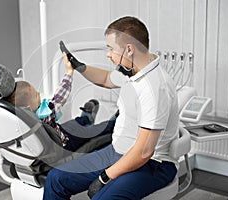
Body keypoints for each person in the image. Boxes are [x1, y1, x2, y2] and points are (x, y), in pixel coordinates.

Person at [43, 16, 179, 200]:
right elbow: (106, 79)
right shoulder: (133, 70)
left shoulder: (155, 87)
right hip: (118, 151)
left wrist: (104, 177)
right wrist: (78, 66)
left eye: (111, 48)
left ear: (129, 49)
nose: (108, 53)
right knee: (55, 178)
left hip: (152, 164)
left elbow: (144, 152)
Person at [6, 64, 116, 152]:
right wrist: (69, 73)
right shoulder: (44, 115)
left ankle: (86, 119)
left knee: (72, 124)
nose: (39, 94)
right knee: (92, 131)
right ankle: (114, 122)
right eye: (36, 95)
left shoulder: (17, 120)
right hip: (66, 144)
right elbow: (59, 97)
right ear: (28, 107)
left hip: (59, 132)